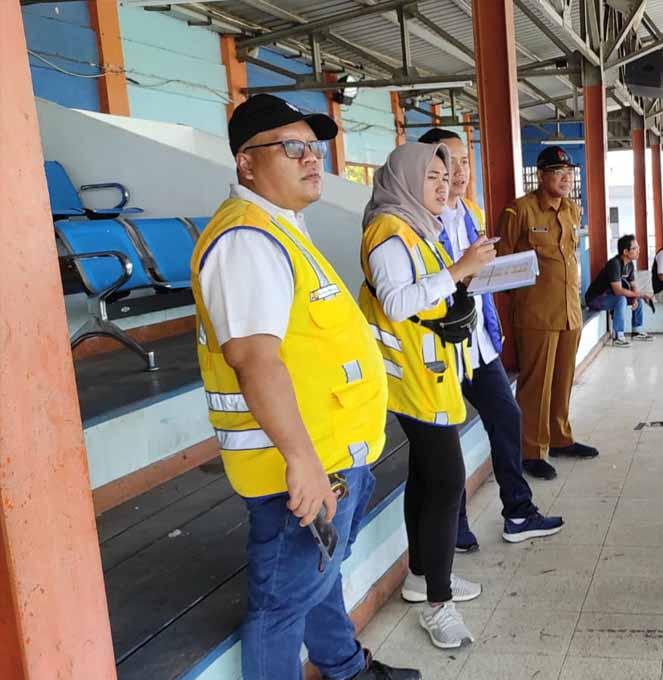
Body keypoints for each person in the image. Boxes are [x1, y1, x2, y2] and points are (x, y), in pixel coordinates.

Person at [192, 94, 420, 680]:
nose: (311, 158)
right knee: (279, 605)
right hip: (295, 469)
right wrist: (302, 460)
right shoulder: (247, 240)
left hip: (333, 456)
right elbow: (255, 362)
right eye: (292, 148)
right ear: (246, 163)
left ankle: (344, 667)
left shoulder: (281, 230)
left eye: (314, 148)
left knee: (326, 571)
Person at [358, 142, 490, 650]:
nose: (443, 184)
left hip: (430, 373)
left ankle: (421, 574)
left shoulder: (418, 228)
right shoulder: (388, 233)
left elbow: (433, 292)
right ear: (407, 180)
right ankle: (438, 603)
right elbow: (396, 302)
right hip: (413, 379)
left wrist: (466, 273)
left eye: (446, 175)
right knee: (447, 482)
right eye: (432, 176)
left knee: (426, 477)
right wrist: (458, 270)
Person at [415, 128, 565, 552]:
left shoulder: (469, 212)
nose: (459, 172)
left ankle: (518, 511)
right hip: (442, 346)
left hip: (478, 340)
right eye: (449, 163)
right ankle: (455, 525)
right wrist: (465, 268)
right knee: (448, 438)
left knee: (507, 416)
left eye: (465, 162)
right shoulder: (418, 220)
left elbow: (473, 274)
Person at [497, 146, 600, 480]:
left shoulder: (571, 209)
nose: (566, 178)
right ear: (541, 177)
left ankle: (560, 438)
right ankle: (531, 451)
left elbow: (569, 252)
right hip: (536, 314)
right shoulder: (520, 211)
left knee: (562, 379)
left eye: (568, 172)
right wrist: (524, 299)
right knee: (536, 385)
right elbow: (502, 261)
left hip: (570, 310)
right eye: (558, 172)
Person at [585, 233, 655, 346]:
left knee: (638, 300)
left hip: (610, 297)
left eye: (638, 247)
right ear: (625, 252)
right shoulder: (614, 264)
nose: (638, 250)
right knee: (621, 299)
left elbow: (633, 285)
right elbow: (618, 291)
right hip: (596, 298)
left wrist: (636, 297)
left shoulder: (630, 265)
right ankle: (618, 336)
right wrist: (639, 294)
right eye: (635, 248)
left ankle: (636, 331)